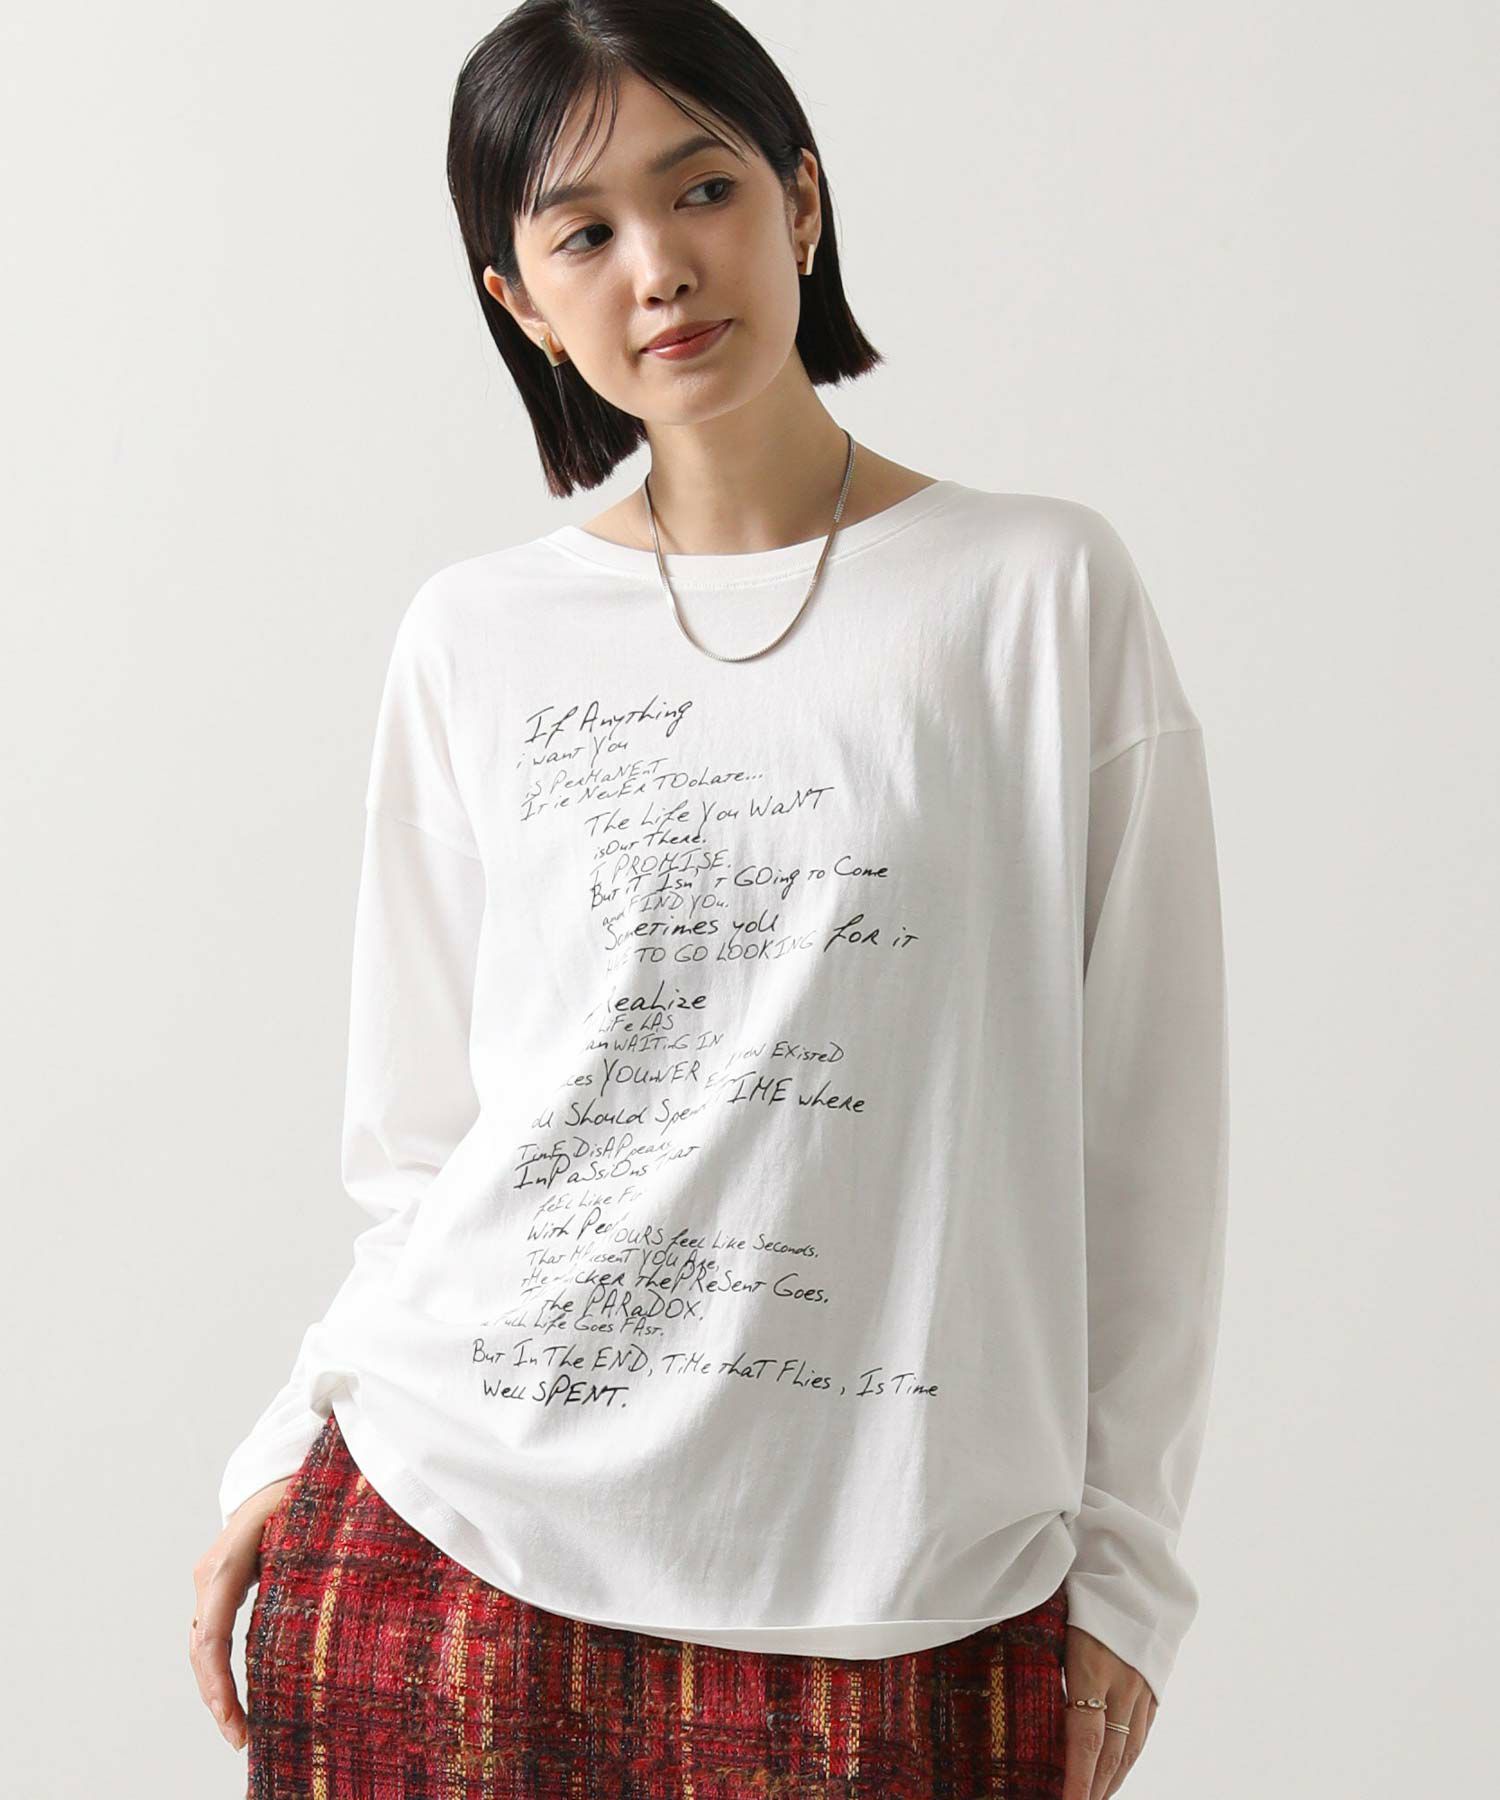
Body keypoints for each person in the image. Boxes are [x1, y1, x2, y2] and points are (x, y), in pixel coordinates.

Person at [189, 4, 1230, 1796]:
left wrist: (1127, 1570)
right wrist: (294, 1438)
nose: (658, 267)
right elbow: (424, 1147)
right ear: (520, 300)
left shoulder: (1035, 594)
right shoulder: (475, 638)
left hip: (899, 1604)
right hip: (449, 1556)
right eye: (582, 232)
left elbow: (1148, 1133)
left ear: (800, 202)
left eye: (703, 190)